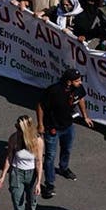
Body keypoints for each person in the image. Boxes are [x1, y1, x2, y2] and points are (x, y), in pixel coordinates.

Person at [36, 68, 93, 199]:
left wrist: (85, 116)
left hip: (68, 125)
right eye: (77, 80)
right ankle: (49, 183)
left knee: (67, 149)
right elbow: (40, 105)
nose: (80, 82)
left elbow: (81, 99)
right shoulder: (54, 91)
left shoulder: (78, 88)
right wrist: (40, 124)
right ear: (68, 82)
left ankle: (64, 167)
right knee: (50, 156)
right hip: (53, 128)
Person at [0, 115, 44, 210]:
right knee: (18, 204)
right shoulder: (14, 138)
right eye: (16, 127)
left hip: (32, 173)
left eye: (19, 128)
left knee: (32, 200)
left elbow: (39, 162)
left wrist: (39, 182)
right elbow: (9, 157)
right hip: (17, 173)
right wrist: (3, 176)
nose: (16, 129)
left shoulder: (38, 141)